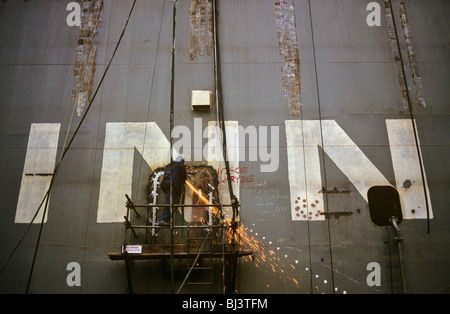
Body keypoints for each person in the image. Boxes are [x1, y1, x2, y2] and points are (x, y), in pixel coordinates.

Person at [159, 155, 187, 226]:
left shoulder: (169, 165)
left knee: (170, 199)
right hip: (172, 184)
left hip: (164, 184)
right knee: (170, 201)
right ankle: (164, 219)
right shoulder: (181, 165)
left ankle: (166, 219)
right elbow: (184, 178)